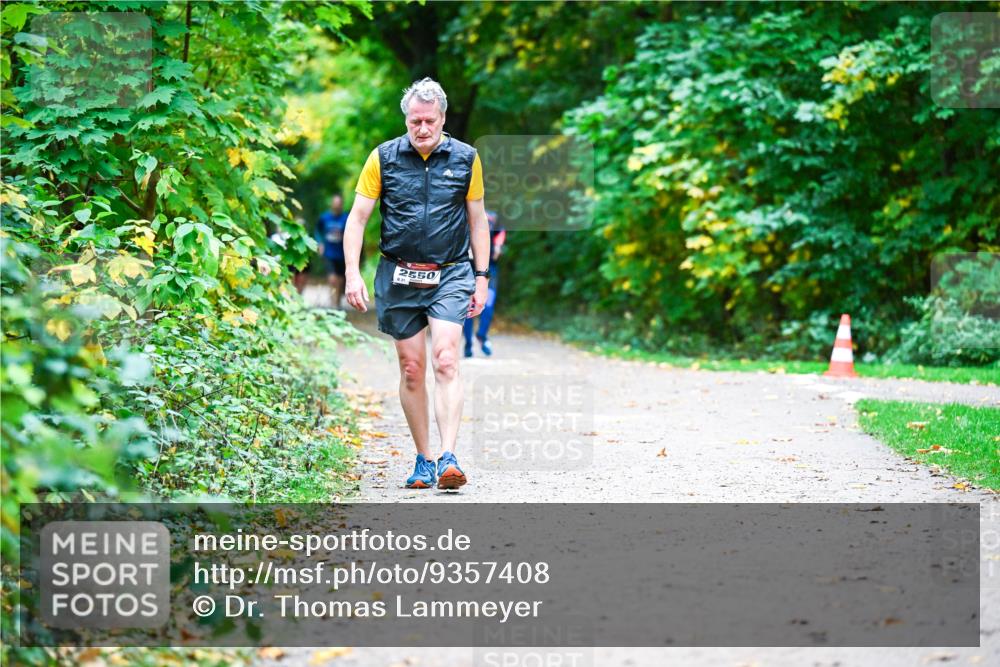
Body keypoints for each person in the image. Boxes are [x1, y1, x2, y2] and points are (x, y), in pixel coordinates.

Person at [342, 78, 491, 491]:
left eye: (429, 121)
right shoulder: (383, 158)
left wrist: (481, 278)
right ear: (406, 120)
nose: (422, 128)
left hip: (451, 272)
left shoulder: (466, 158)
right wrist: (352, 272)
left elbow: (478, 220)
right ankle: (424, 459)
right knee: (412, 369)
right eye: (415, 121)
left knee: (446, 358)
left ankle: (448, 457)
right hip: (398, 274)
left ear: (442, 118)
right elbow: (358, 218)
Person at [463, 210, 505, 357]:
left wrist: (498, 246)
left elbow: (501, 232)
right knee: (468, 305)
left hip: (489, 266)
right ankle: (468, 343)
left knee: (489, 302)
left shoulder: (492, 217)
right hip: (467, 266)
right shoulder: (461, 213)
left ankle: (482, 335)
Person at [315, 195, 348, 308]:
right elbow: (317, 231)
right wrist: (320, 243)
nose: (337, 206)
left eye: (339, 204)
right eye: (335, 204)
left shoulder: (346, 218)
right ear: (332, 205)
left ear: (341, 205)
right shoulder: (324, 218)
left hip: (342, 254)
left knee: (340, 280)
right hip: (329, 253)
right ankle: (333, 303)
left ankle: (337, 303)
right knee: (332, 278)